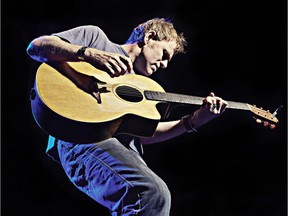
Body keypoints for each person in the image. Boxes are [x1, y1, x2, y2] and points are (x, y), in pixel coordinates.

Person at [26, 17, 228, 216]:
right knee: (152, 194)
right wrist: (89, 54)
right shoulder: (97, 39)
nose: (165, 65)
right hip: (86, 138)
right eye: (165, 54)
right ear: (149, 37)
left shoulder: (141, 89)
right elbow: (37, 46)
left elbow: (144, 134)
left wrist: (194, 121)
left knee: (152, 199)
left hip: (125, 153)